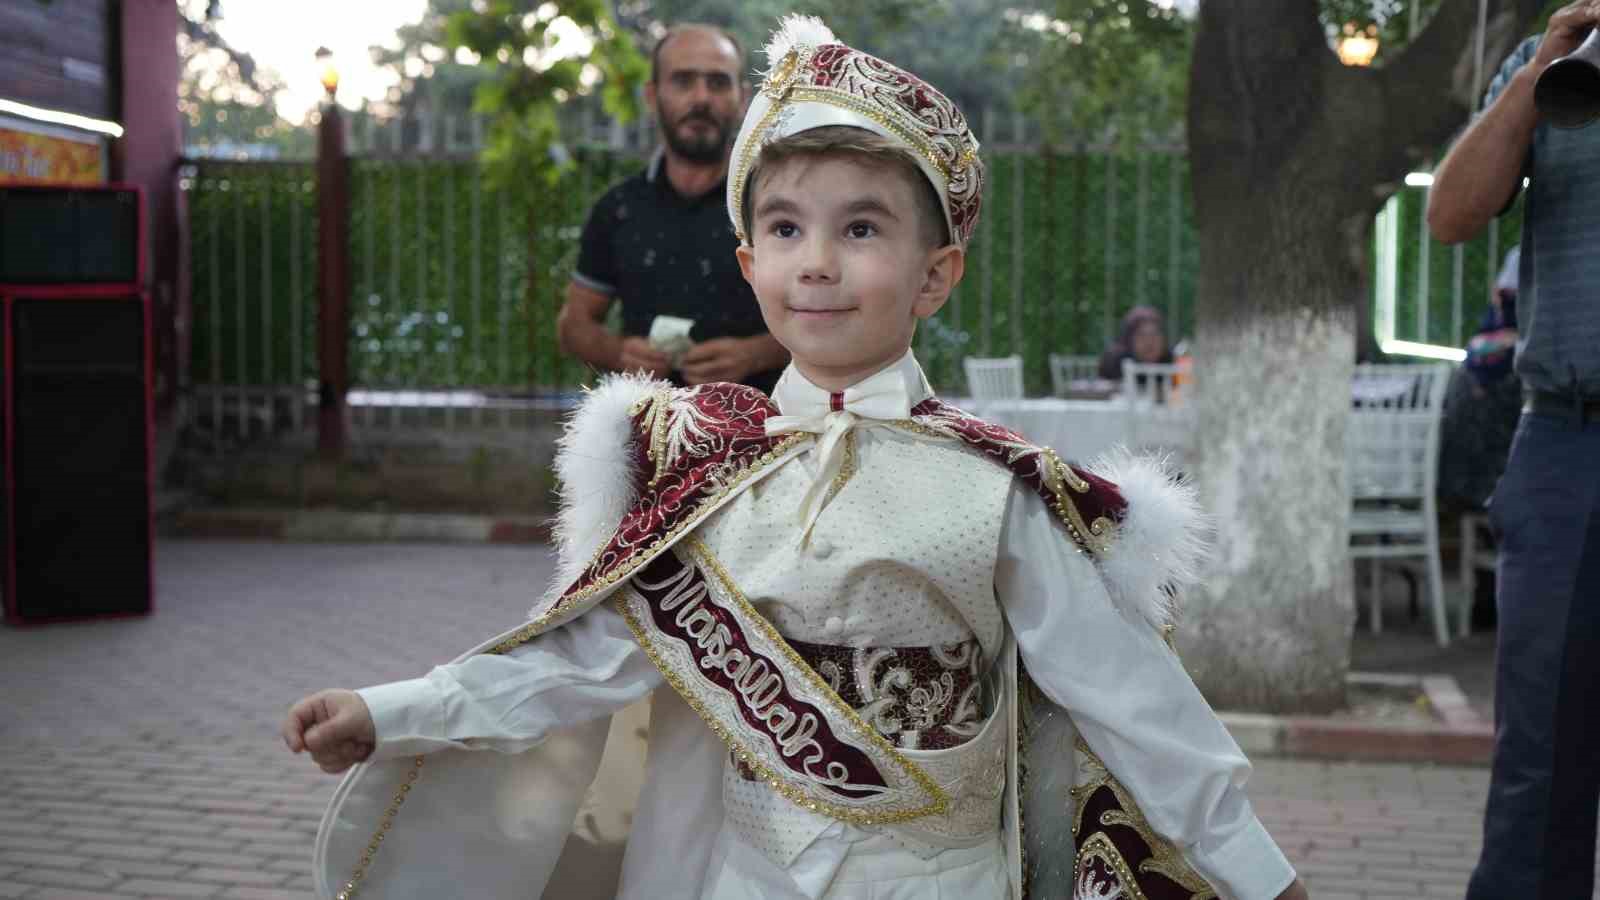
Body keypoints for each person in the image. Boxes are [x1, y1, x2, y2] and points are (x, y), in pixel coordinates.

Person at [285, 17, 1309, 900]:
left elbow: (1129, 697)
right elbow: (586, 661)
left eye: (860, 228)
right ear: (750, 263)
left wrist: (1255, 870)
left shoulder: (996, 488)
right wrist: (393, 712)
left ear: (935, 272)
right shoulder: (698, 469)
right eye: (785, 227)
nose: (816, 260)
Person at [1427, 3, 1600, 898]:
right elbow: (1452, 215)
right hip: (1569, 439)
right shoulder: (1559, 63)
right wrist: (1539, 76)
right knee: (1542, 747)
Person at [556, 23, 790, 395]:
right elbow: (574, 326)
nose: (701, 98)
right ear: (652, 96)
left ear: (743, 97)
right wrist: (617, 352)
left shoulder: (781, 203)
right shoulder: (618, 210)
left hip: (767, 435)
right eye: (683, 81)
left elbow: (841, 316)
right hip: (646, 437)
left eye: (718, 83)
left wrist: (755, 354)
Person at [1096, 305, 1175, 382]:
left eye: (1154, 336)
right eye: (1142, 336)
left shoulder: (1170, 361)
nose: (1149, 343)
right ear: (1129, 340)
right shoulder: (1114, 361)